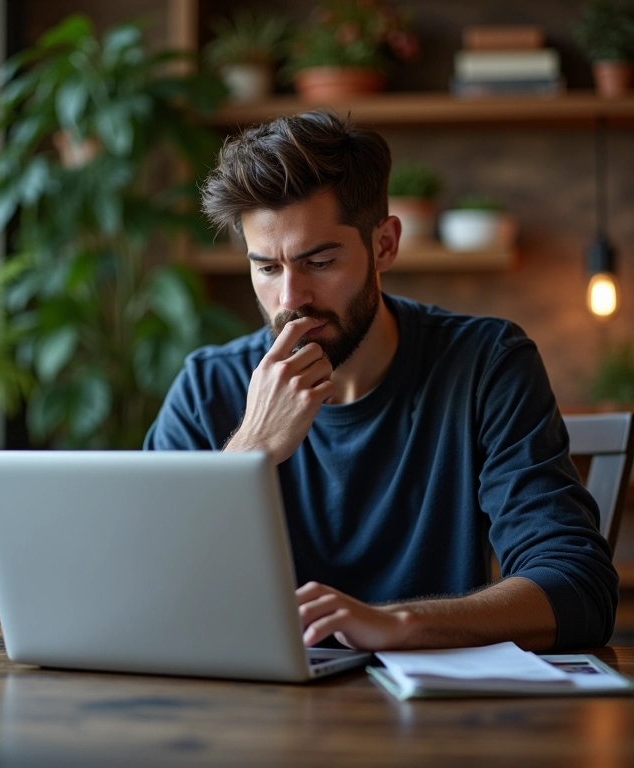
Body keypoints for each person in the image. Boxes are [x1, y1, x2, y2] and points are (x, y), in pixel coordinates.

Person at [144, 110, 617, 653]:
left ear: (385, 245)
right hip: (254, 717)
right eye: (268, 269)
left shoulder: (486, 364)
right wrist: (249, 453)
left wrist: (396, 624)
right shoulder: (208, 387)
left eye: (319, 261)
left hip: (434, 724)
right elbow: (144, 588)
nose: (291, 298)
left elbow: (579, 588)